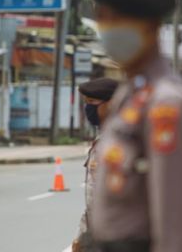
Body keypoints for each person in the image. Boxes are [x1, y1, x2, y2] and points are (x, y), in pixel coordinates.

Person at [85, 0, 182, 252]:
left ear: (150, 25)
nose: (107, 30)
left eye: (116, 20)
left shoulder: (165, 104)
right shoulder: (130, 94)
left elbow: (174, 221)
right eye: (102, 19)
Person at [72, 78, 119, 252]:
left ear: (112, 104)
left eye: (92, 102)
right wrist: (82, 237)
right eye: (86, 103)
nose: (88, 109)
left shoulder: (119, 143)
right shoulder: (104, 140)